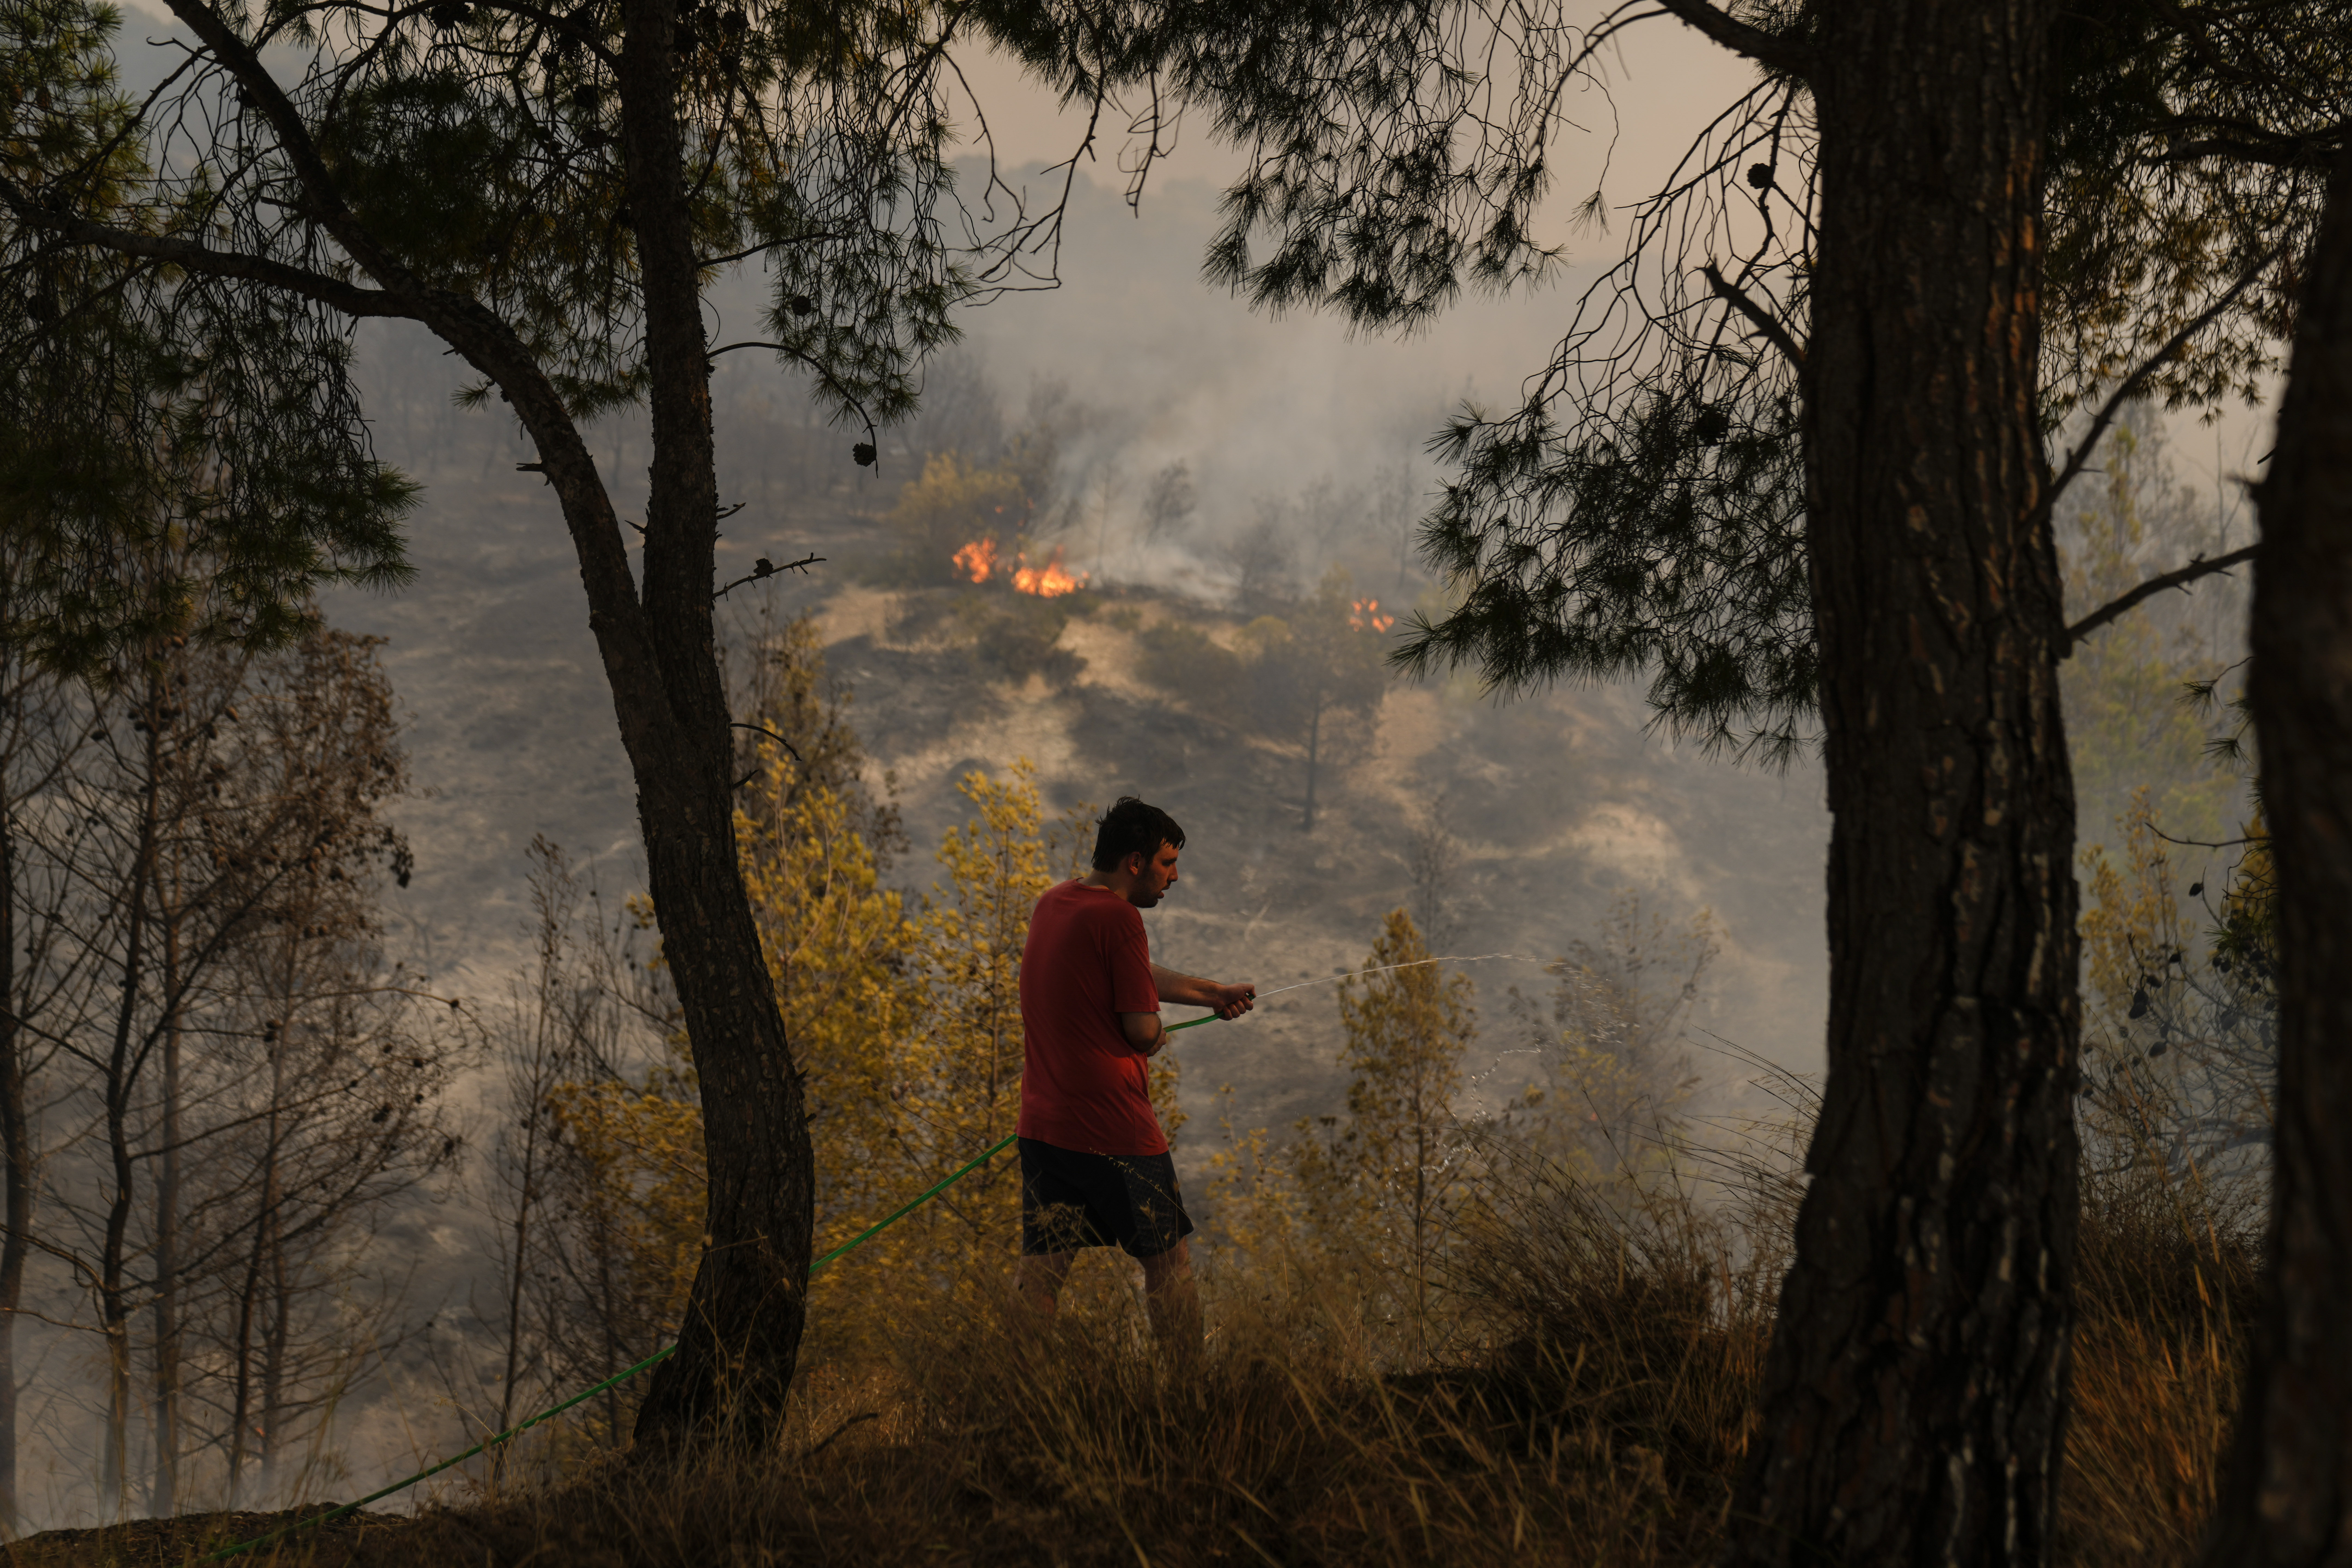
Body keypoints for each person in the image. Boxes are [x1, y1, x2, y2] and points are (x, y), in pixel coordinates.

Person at [1011, 796, 1254, 1351]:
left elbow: (1129, 971)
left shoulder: (1058, 903)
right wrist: (1156, 1033)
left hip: (1045, 1131)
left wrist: (1212, 994)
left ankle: (1011, 1394)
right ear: (1136, 863)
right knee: (1170, 1263)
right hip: (1114, 1132)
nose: (1176, 878)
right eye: (1168, 864)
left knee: (1042, 1273)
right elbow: (1142, 1030)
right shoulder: (1121, 919)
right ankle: (1186, 1393)